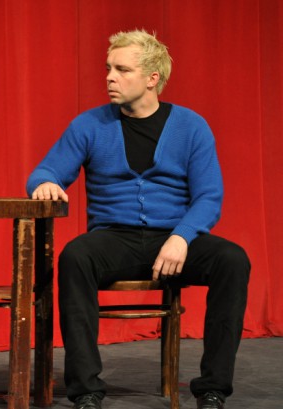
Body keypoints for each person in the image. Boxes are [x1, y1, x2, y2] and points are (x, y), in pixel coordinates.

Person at [26, 30, 250, 409]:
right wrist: (46, 182)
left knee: (232, 260)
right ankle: (86, 391)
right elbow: (45, 171)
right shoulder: (90, 125)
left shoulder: (191, 126)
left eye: (122, 70)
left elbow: (209, 196)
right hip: (115, 239)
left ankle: (213, 388)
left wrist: (181, 236)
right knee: (75, 256)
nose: (109, 77)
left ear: (151, 78)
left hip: (174, 240)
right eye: (108, 68)